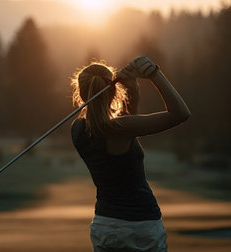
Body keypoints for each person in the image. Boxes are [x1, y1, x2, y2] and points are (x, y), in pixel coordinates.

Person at [70, 56, 190, 252]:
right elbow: (181, 114)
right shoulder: (119, 128)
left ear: (82, 95)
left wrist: (133, 90)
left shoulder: (77, 129)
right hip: (141, 226)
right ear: (113, 91)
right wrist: (154, 74)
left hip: (105, 225)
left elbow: (127, 127)